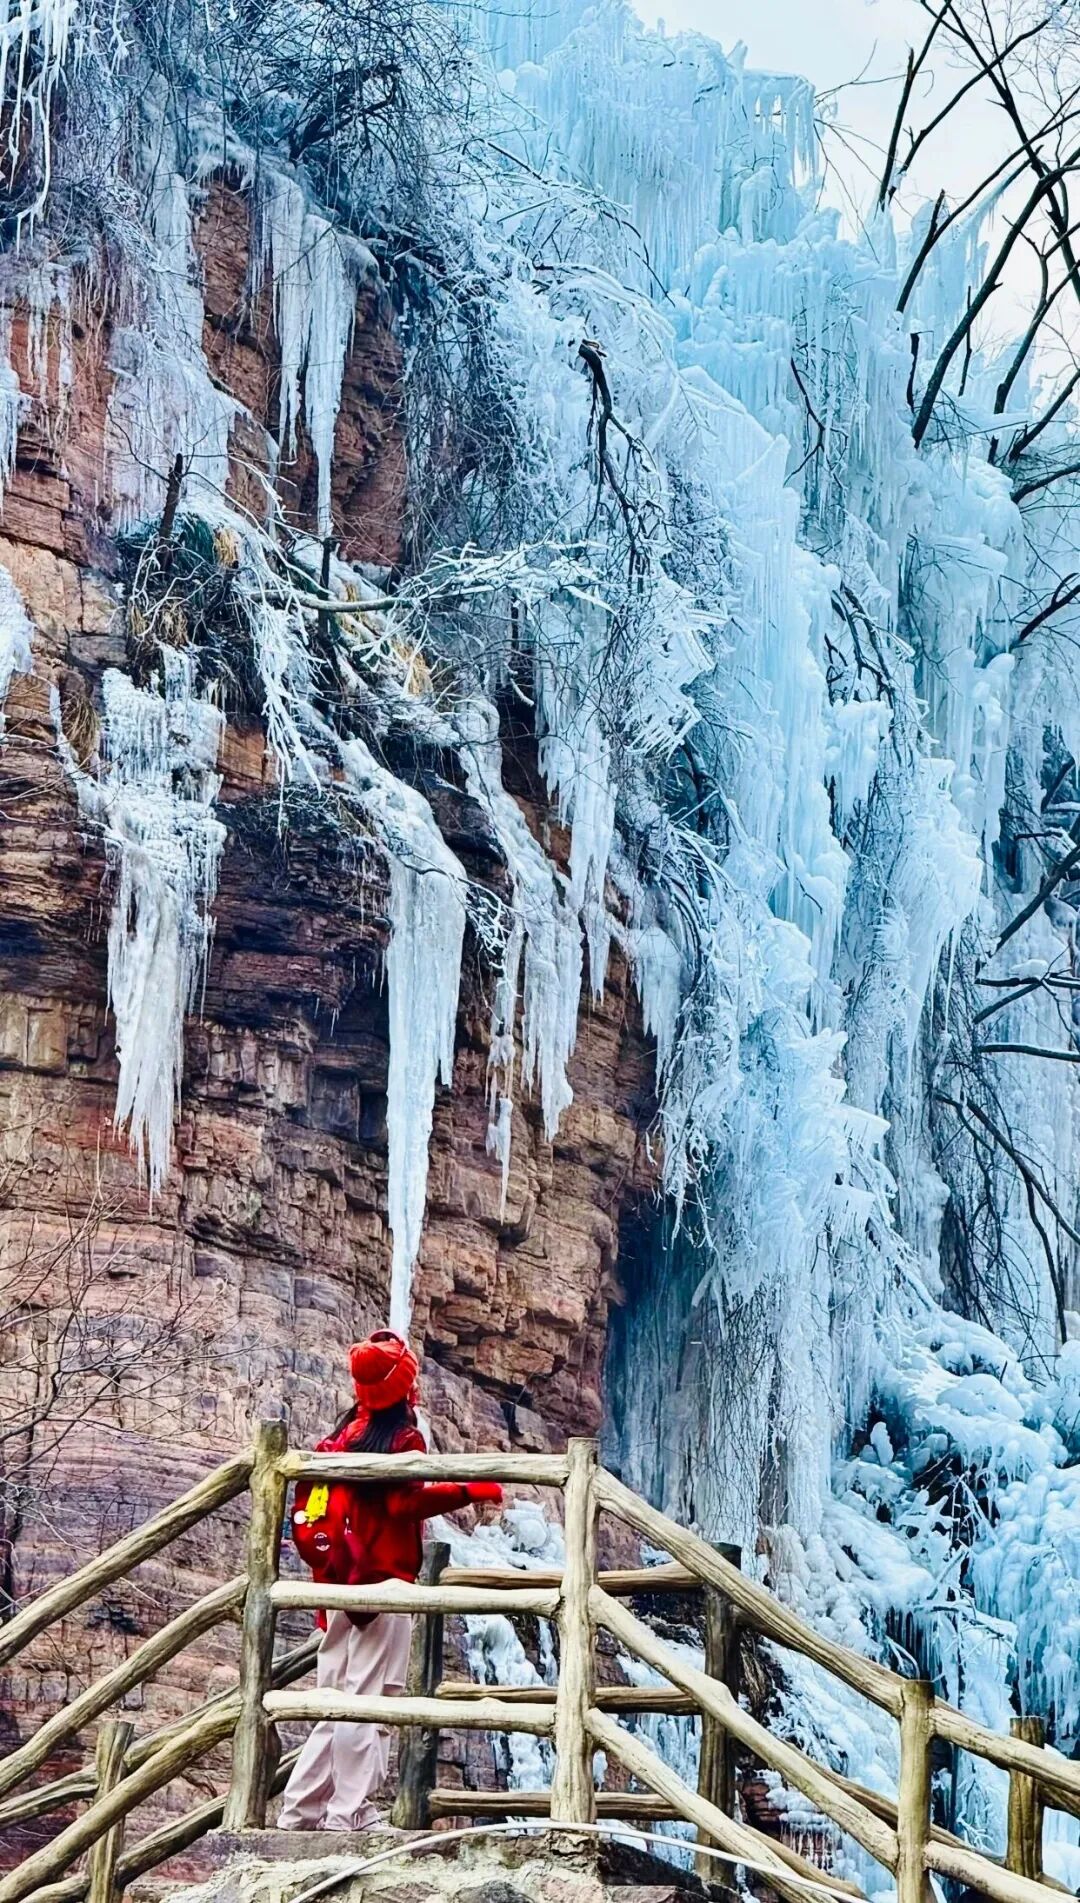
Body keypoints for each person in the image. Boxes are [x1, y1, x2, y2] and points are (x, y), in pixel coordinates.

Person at [277, 1329, 502, 1831]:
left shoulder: (338, 1438)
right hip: (382, 1582)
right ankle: (350, 1812)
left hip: (335, 1582)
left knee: (331, 1700)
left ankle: (300, 1812)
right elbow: (404, 1502)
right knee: (371, 1698)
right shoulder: (402, 1437)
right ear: (404, 1386)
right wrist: (468, 1489)